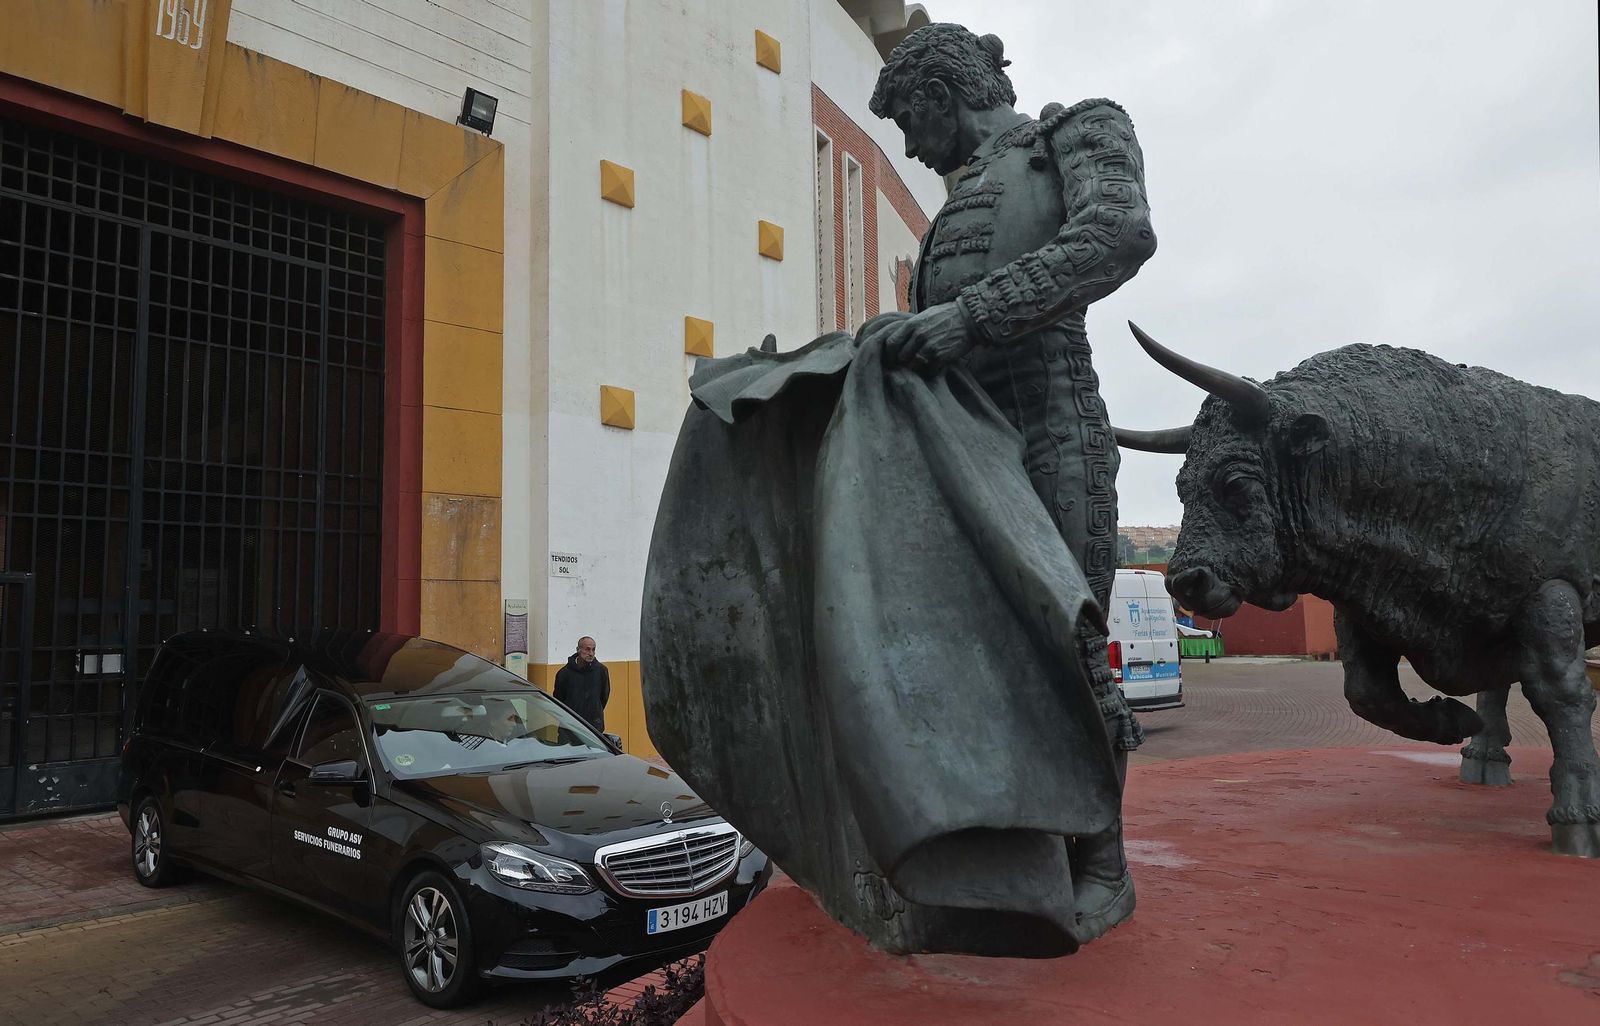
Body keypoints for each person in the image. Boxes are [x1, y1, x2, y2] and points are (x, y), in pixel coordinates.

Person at [864, 22, 1157, 941]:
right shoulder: (952, 205)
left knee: (1064, 648)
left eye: (913, 120)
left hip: (1050, 431)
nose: (912, 146)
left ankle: (1102, 859)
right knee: (974, 660)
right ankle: (1009, 856)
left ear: (946, 93)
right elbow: (940, 334)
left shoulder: (1078, 132)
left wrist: (968, 319)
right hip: (964, 448)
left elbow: (1118, 233)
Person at [553, 636, 610, 733]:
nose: (591, 653)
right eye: (587, 649)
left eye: (593, 649)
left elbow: (604, 696)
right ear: (578, 650)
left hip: (594, 728)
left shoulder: (601, 671)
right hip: (570, 728)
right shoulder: (564, 673)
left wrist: (595, 712)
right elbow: (559, 699)